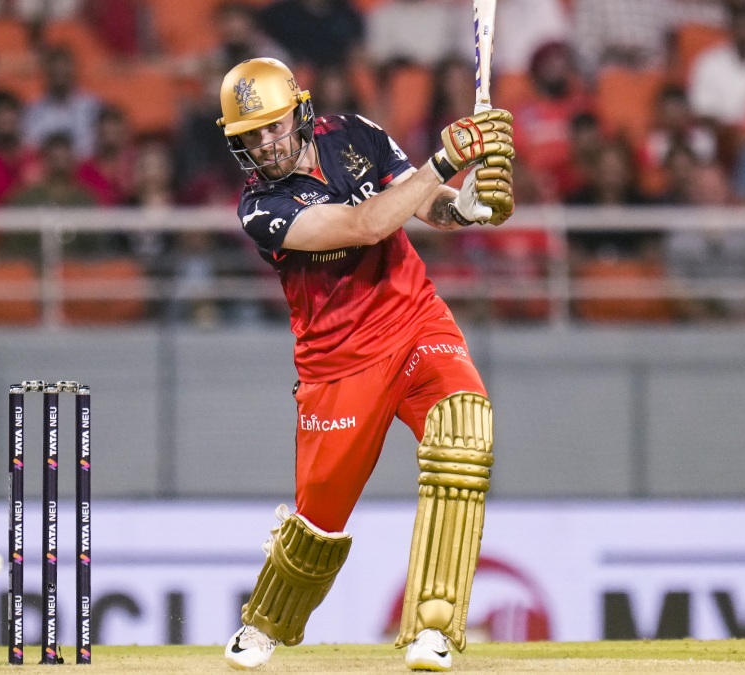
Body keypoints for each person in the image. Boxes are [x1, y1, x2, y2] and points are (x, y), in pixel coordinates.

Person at [214, 57, 515, 671]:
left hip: (416, 320)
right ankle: (265, 621)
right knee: (319, 523)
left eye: (273, 126)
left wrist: (470, 207)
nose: (266, 143)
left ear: (299, 113)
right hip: (340, 364)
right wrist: (447, 159)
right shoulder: (260, 207)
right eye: (252, 135)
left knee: (464, 434)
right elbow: (367, 223)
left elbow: (426, 206)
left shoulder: (355, 134)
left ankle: (433, 629)